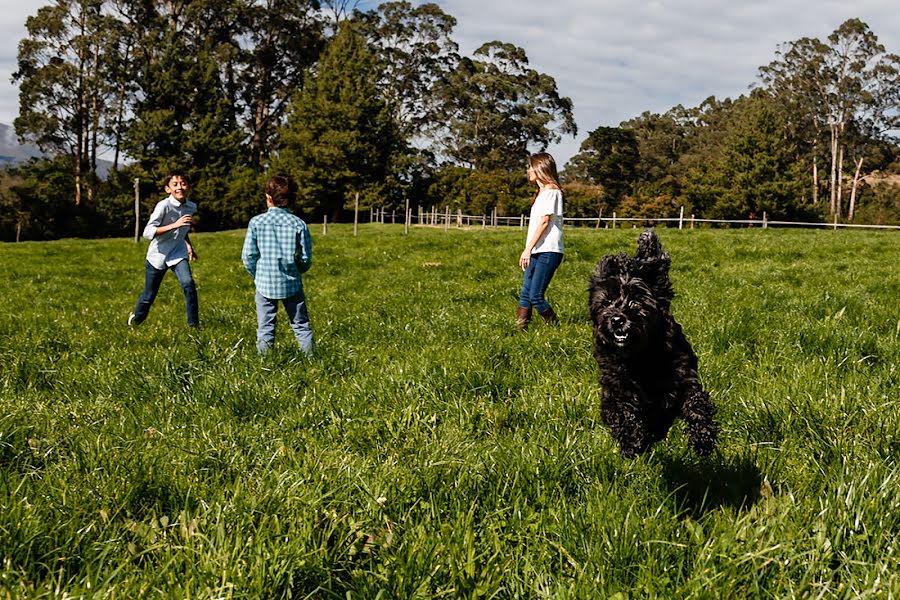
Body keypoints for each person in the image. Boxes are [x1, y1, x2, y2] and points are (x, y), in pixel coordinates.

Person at [241, 174, 314, 355]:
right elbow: (305, 258)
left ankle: (265, 364)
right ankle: (312, 361)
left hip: (265, 283)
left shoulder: (256, 222)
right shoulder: (299, 224)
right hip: (292, 282)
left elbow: (248, 255)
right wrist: (298, 270)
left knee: (265, 326)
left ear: (268, 198)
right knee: (301, 325)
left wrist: (256, 274)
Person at [128, 171, 199, 327]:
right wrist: (175, 225)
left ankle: (194, 326)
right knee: (149, 295)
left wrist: (188, 245)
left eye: (183, 183)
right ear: (168, 189)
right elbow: (148, 233)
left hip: (178, 253)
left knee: (189, 284)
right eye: (175, 184)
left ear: (188, 187)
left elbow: (182, 229)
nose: (180, 187)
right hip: (158, 255)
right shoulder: (163, 206)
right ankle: (135, 321)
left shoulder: (191, 206)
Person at [516, 152, 564, 330]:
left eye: (530, 167)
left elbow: (545, 221)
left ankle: (556, 330)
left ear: (540, 168)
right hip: (537, 250)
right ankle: (520, 332)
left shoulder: (552, 191)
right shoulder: (541, 193)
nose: (528, 170)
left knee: (536, 296)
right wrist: (530, 249)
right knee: (525, 294)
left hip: (548, 250)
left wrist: (527, 249)